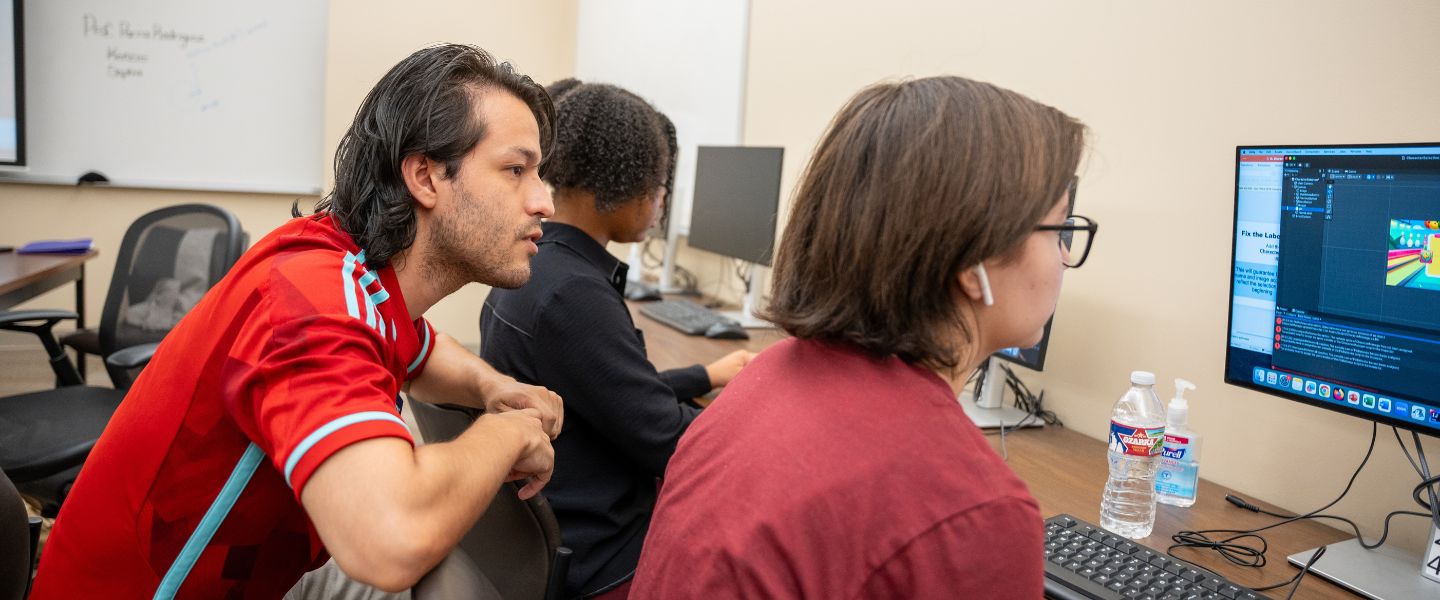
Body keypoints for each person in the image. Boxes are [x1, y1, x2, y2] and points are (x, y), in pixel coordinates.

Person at [31, 44, 566, 599]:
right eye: (515, 170)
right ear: (425, 177)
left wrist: (493, 386)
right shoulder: (310, 304)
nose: (543, 201)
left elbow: (419, 347)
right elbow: (389, 538)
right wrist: (506, 433)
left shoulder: (349, 262)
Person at [630, 76, 1094, 598]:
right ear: (976, 260)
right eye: (1060, 230)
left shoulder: (767, 374)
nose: (1064, 258)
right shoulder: (977, 510)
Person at [479, 79, 752, 599]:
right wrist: (763, 414)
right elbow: (669, 443)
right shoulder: (574, 295)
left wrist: (704, 376)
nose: (661, 198)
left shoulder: (540, 266)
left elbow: (605, 391)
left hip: (548, 533)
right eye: (659, 181)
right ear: (625, 181)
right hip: (605, 560)